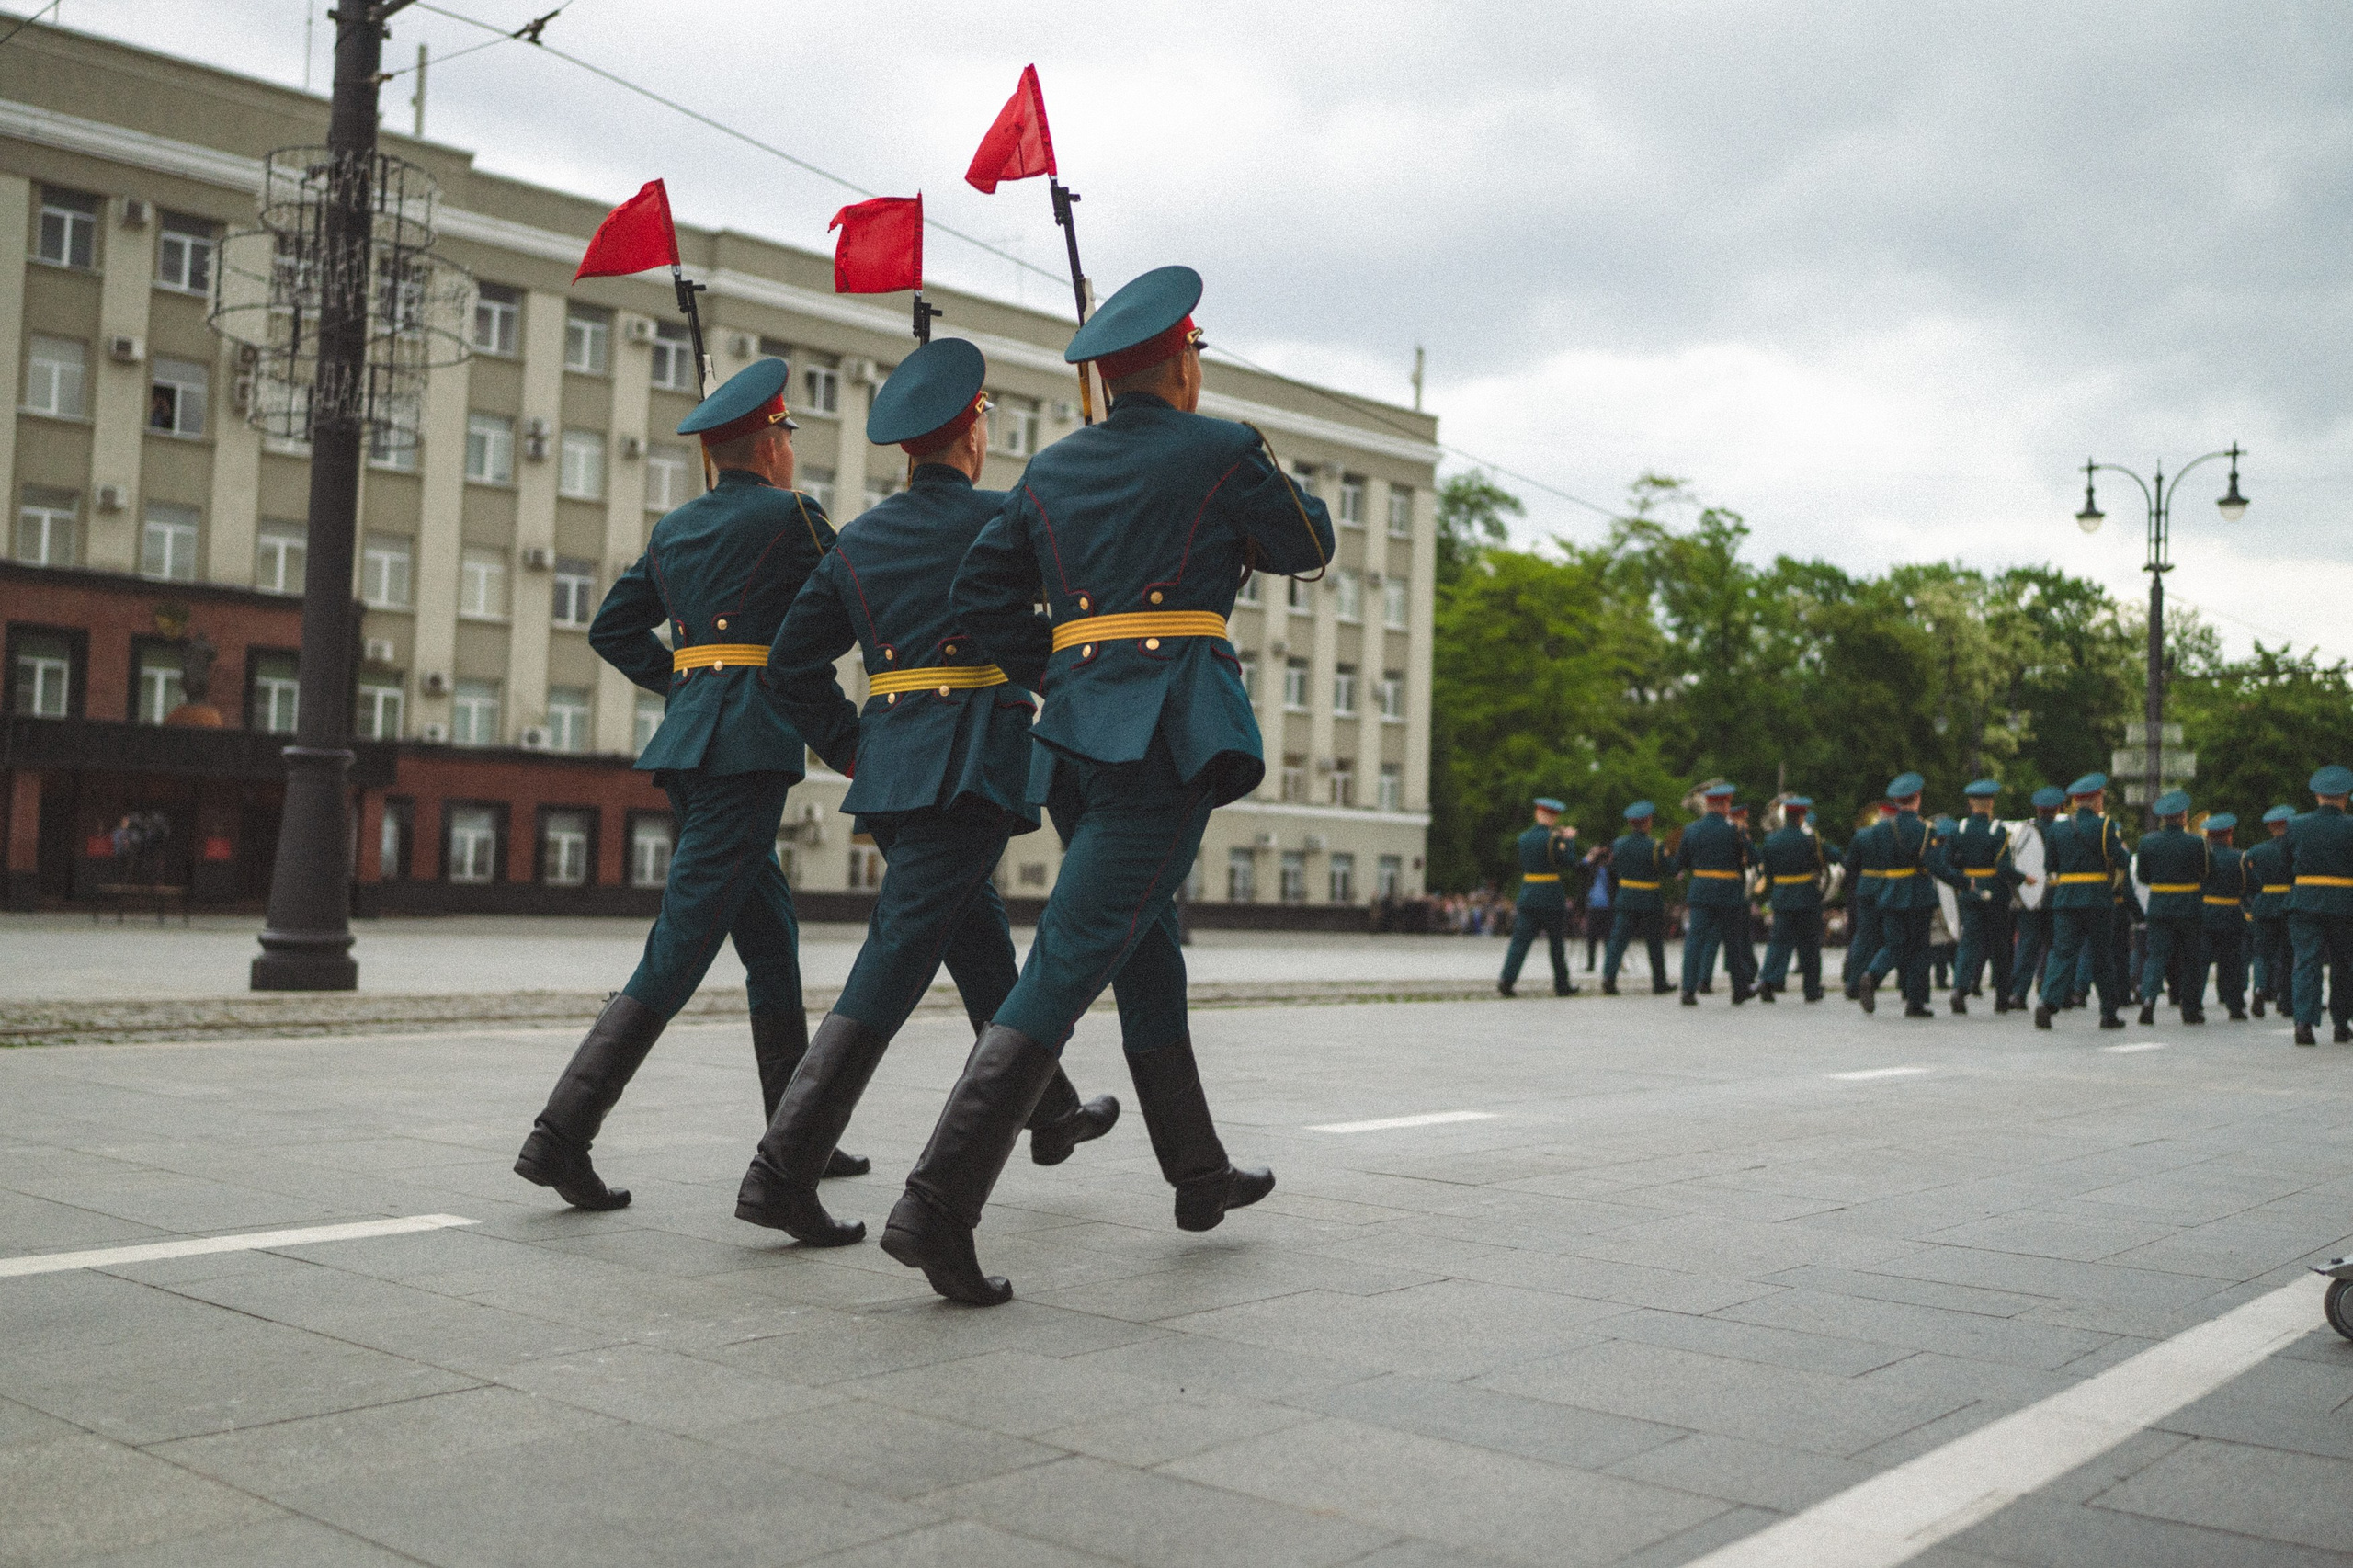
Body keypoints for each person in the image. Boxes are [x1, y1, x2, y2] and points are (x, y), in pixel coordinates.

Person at [891, 265, 1334, 1304]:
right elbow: (1305, 539)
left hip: (1080, 735)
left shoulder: (1050, 469)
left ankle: (1197, 1171)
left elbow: (978, 595)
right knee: (1072, 960)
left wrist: (1062, 667)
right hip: (1167, 732)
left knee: (1145, 948)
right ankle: (937, 1203)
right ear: (1181, 362)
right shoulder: (1220, 449)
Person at [732, 340, 1118, 1247]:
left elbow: (790, 670)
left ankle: (1048, 1108)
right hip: (973, 763)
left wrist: (861, 748)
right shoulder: (1004, 516)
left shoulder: (857, 539)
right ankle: (780, 1170)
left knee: (974, 939)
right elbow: (1076, 613)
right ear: (971, 432)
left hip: (896, 774)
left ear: (909, 446)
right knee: (893, 964)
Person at [515, 359, 854, 1210]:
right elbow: (858, 601)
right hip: (749, 749)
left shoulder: (674, 530)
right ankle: (561, 1136)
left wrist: (689, 681)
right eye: (786, 436)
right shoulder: (796, 517)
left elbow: (610, 627)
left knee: (770, 944)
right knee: (678, 951)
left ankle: (798, 1134)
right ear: (772, 442)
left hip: (694, 743)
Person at [1859, 774, 1966, 1017]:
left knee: (1894, 945)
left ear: (1897, 801)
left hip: (1889, 892)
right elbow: (1937, 868)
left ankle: (1872, 975)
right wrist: (1964, 882)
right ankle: (1916, 1002)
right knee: (1920, 949)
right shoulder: (1925, 829)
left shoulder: (1881, 829)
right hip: (1917, 894)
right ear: (1917, 798)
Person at [2034, 773, 2132, 1031]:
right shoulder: (2105, 826)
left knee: (2062, 952)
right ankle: (2108, 1013)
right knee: (2101, 956)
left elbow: (2050, 866)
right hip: (2097, 898)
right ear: (2096, 799)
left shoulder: (2057, 828)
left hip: (2065, 898)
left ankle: (2047, 1003)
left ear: (2076, 801)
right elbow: (2122, 861)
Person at [2284, 763, 2353, 1047]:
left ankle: (2304, 1023)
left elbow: (2287, 862)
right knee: (2344, 964)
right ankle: (2341, 1023)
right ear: (2346, 796)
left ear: (2317, 796)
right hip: (2344, 903)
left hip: (2305, 901)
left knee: (2306, 962)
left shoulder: (2296, 824)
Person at [1673, 782, 1752, 1006]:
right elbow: (1753, 858)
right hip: (1728, 892)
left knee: (1695, 942)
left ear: (1708, 805)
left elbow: (1680, 863)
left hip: (1701, 890)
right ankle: (1739, 989)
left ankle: (1688, 990)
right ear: (1725, 804)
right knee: (1732, 942)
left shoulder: (1691, 829)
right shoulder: (1735, 829)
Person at [1947, 779, 2022, 1014]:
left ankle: (1960, 988)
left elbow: (1948, 862)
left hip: (1969, 891)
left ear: (1971, 803)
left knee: (1968, 943)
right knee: (2000, 945)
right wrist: (2024, 879)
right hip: (1995, 894)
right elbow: (2004, 868)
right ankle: (2002, 997)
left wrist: (1963, 876)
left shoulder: (1959, 829)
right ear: (1990, 803)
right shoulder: (1997, 830)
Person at [2134, 790, 2208, 1027]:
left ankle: (2148, 1000)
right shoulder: (2196, 842)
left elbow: (2143, 876)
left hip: (2159, 904)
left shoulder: (2147, 842)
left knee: (2155, 956)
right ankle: (2190, 1009)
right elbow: (2207, 872)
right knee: (2190, 959)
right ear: (2184, 816)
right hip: (2188, 905)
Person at [1757, 796, 1840, 1002]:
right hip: (1806, 896)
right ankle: (1811, 989)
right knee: (1810, 944)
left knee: (1778, 941)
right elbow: (1835, 855)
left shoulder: (1771, 840)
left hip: (1782, 895)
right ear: (1802, 816)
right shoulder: (1810, 839)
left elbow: (1767, 872)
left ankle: (1768, 981)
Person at [1499, 798, 1578, 997]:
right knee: (1556, 944)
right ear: (1553, 817)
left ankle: (1506, 980)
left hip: (1528, 893)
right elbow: (1569, 862)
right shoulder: (1554, 840)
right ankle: (1562, 985)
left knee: (1520, 942)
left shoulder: (1524, 838)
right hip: (1550, 896)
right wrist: (1569, 840)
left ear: (1537, 814)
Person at [1601, 801, 1673, 994]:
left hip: (1626, 897)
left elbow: (1612, 870)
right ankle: (1659, 982)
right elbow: (1669, 870)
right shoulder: (1655, 846)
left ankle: (1609, 977)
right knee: (1654, 943)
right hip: (1649, 898)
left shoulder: (1618, 844)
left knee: (1618, 941)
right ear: (1648, 822)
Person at [2006, 786, 2067, 1012]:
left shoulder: (2023, 832)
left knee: (2026, 946)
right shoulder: (2063, 831)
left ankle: (2018, 993)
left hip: (2029, 899)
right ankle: (2053, 992)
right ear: (2058, 808)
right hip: (2055, 898)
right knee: (2057, 948)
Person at [2194, 812, 2251, 1021]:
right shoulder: (2240, 857)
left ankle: (2194, 1005)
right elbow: (2251, 886)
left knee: (2200, 962)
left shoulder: (2201, 857)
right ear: (2229, 835)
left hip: (2205, 913)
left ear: (2208, 836)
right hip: (2231, 914)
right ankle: (2235, 1007)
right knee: (2231, 964)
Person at [2245, 803, 2296, 1017]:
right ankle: (2286, 1000)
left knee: (2262, 953)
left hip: (2264, 904)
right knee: (2288, 954)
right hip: (2289, 902)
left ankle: (2259, 989)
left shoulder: (2256, 851)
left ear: (2270, 828)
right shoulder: (2295, 849)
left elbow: (2249, 882)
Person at [1842, 801, 1895, 999]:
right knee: (1895, 937)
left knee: (1863, 937)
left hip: (1866, 888)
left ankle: (1853, 982)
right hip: (1891, 887)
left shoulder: (1862, 835)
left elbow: (1850, 865)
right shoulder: (1897, 835)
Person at [1583, 848, 1612, 972]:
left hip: (1607, 906)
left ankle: (1610, 963)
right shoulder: (1591, 869)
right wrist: (1590, 856)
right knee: (1591, 937)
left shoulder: (1610, 869)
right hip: (1594, 905)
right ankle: (1591, 964)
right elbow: (1580, 867)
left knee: (1607, 937)